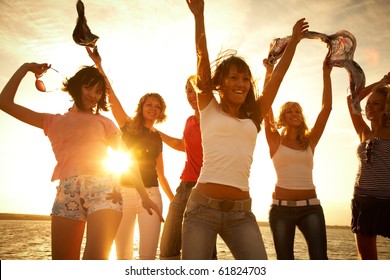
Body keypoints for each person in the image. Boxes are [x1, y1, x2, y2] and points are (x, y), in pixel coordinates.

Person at [182, 0, 308, 260]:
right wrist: (199, 16)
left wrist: (294, 43)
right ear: (222, 83)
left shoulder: (255, 116)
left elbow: (279, 76)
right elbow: (202, 56)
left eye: (245, 79)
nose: (241, 84)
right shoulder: (209, 108)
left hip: (241, 214)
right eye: (233, 77)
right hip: (201, 210)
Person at [0, 61, 161, 260]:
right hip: (67, 192)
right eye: (88, 87)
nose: (93, 96)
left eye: (98, 91)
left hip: (105, 192)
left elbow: (129, 160)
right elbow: (4, 102)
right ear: (76, 86)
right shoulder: (52, 121)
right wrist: (25, 68)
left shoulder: (105, 123)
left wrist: (144, 196)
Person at [87, 47, 174, 260]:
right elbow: (111, 94)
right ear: (141, 107)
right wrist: (99, 64)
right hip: (122, 193)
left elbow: (160, 173)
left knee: (147, 258)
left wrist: (175, 202)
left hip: (152, 195)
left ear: (161, 112)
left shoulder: (157, 138)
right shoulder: (127, 125)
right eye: (149, 104)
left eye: (157, 106)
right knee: (123, 256)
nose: (153, 108)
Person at [263, 57, 333, 260]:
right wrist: (269, 72)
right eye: (289, 111)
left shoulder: (310, 142)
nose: (294, 113)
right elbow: (266, 104)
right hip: (280, 210)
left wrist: (326, 74)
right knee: (286, 262)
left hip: (311, 208)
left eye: (297, 111)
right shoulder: (274, 140)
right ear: (282, 117)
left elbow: (326, 109)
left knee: (320, 260)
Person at [158, 75, 217, 260]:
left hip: (205, 188)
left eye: (195, 90)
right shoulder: (190, 121)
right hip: (184, 185)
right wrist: (155, 133)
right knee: (168, 246)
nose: (191, 94)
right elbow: (183, 145)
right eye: (188, 91)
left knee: (203, 248)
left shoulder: (215, 118)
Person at [346, 72, 390, 260]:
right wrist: (381, 82)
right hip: (363, 199)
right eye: (369, 103)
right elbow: (351, 100)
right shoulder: (363, 131)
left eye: (376, 103)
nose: (369, 106)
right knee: (367, 260)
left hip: (388, 199)